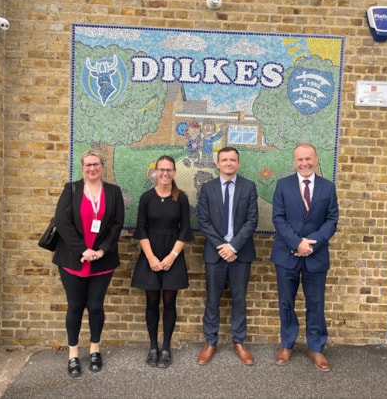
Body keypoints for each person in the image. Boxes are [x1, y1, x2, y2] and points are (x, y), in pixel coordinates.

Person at [53, 149, 124, 378]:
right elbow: (62, 223)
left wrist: (101, 250)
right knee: (75, 307)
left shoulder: (113, 192)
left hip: (102, 262)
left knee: (95, 306)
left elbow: (117, 224)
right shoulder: (71, 189)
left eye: (96, 164)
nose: (92, 168)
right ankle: (73, 353)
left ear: (102, 166)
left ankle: (94, 349)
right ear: (82, 167)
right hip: (73, 259)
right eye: (87, 165)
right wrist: (83, 250)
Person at [271, 143, 339, 372]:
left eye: (308, 159)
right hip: (287, 255)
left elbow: (332, 220)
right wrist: (297, 243)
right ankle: (287, 344)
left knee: (316, 303)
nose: (305, 163)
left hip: (315, 255)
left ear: (316, 159)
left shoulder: (328, 188)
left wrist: (312, 243)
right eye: (300, 159)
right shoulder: (283, 185)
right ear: (294, 161)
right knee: (286, 302)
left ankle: (316, 347)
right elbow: (278, 218)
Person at [196, 146, 258, 365]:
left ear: (238, 164)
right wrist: (223, 246)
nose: (229, 163)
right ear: (218, 164)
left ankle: (239, 341)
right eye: (224, 160)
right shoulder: (207, 188)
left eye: (233, 160)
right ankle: (210, 342)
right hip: (215, 254)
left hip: (241, 254)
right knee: (212, 299)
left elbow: (252, 220)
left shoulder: (249, 187)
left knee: (239, 299)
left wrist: (233, 247)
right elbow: (203, 221)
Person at [131, 155, 194, 369]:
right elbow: (141, 229)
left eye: (169, 170)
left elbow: (185, 231)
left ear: (174, 172)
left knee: (169, 302)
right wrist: (151, 257)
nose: (165, 173)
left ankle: (166, 347)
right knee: (151, 302)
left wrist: (171, 257)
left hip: (172, 255)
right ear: (155, 172)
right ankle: (152, 347)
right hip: (150, 254)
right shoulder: (146, 198)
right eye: (161, 170)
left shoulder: (182, 199)